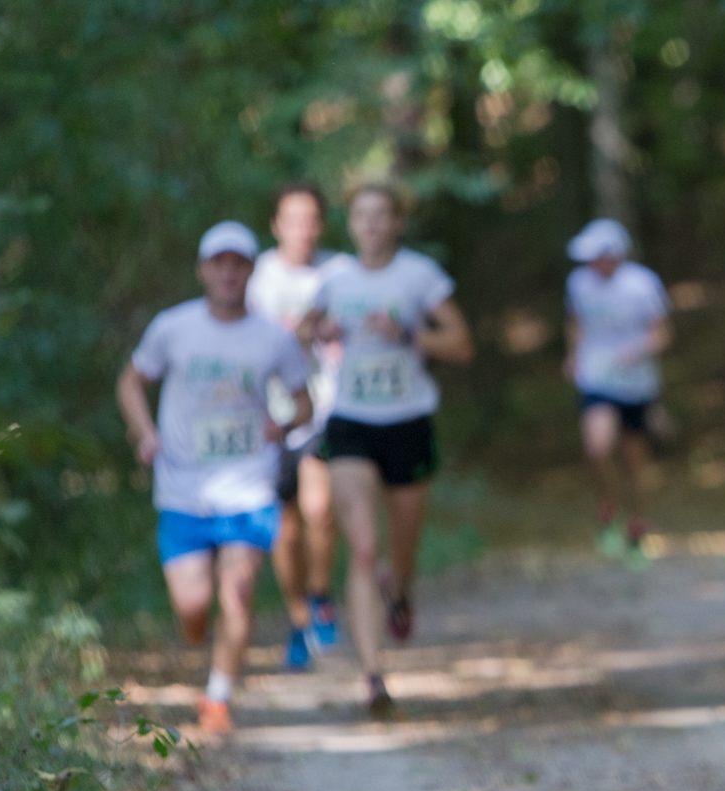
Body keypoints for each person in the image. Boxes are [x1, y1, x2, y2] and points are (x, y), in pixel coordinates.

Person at [117, 221, 313, 735]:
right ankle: (200, 635)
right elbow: (131, 382)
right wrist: (145, 432)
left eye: (238, 263)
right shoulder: (174, 327)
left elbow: (304, 403)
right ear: (203, 270)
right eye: (218, 263)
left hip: (248, 486)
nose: (228, 272)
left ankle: (218, 698)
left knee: (239, 592)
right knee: (194, 607)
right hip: (183, 487)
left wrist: (285, 423)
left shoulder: (274, 337)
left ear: (250, 270)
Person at [298, 181, 474, 718]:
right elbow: (302, 328)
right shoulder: (334, 277)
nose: (372, 224)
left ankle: (399, 591)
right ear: (350, 224)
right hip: (350, 420)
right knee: (364, 547)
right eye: (362, 215)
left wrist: (408, 334)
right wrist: (320, 328)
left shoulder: (419, 276)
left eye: (381, 215)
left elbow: (462, 344)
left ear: (397, 222)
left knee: (401, 545)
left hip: (408, 420)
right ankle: (373, 675)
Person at [247, 181, 348, 671]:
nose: (303, 230)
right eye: (293, 219)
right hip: (269, 414)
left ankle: (321, 595)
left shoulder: (340, 272)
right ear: (276, 225)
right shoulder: (256, 276)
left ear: (321, 225)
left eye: (311, 219)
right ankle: (297, 619)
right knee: (284, 528)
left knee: (319, 506)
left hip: (324, 407)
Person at [562, 218, 672, 565]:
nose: (590, 264)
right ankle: (608, 508)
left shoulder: (642, 285)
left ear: (614, 255)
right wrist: (574, 355)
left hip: (636, 384)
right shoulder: (578, 283)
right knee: (598, 447)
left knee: (634, 464)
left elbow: (661, 334)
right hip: (597, 378)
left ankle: (637, 528)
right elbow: (575, 322)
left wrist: (636, 351)